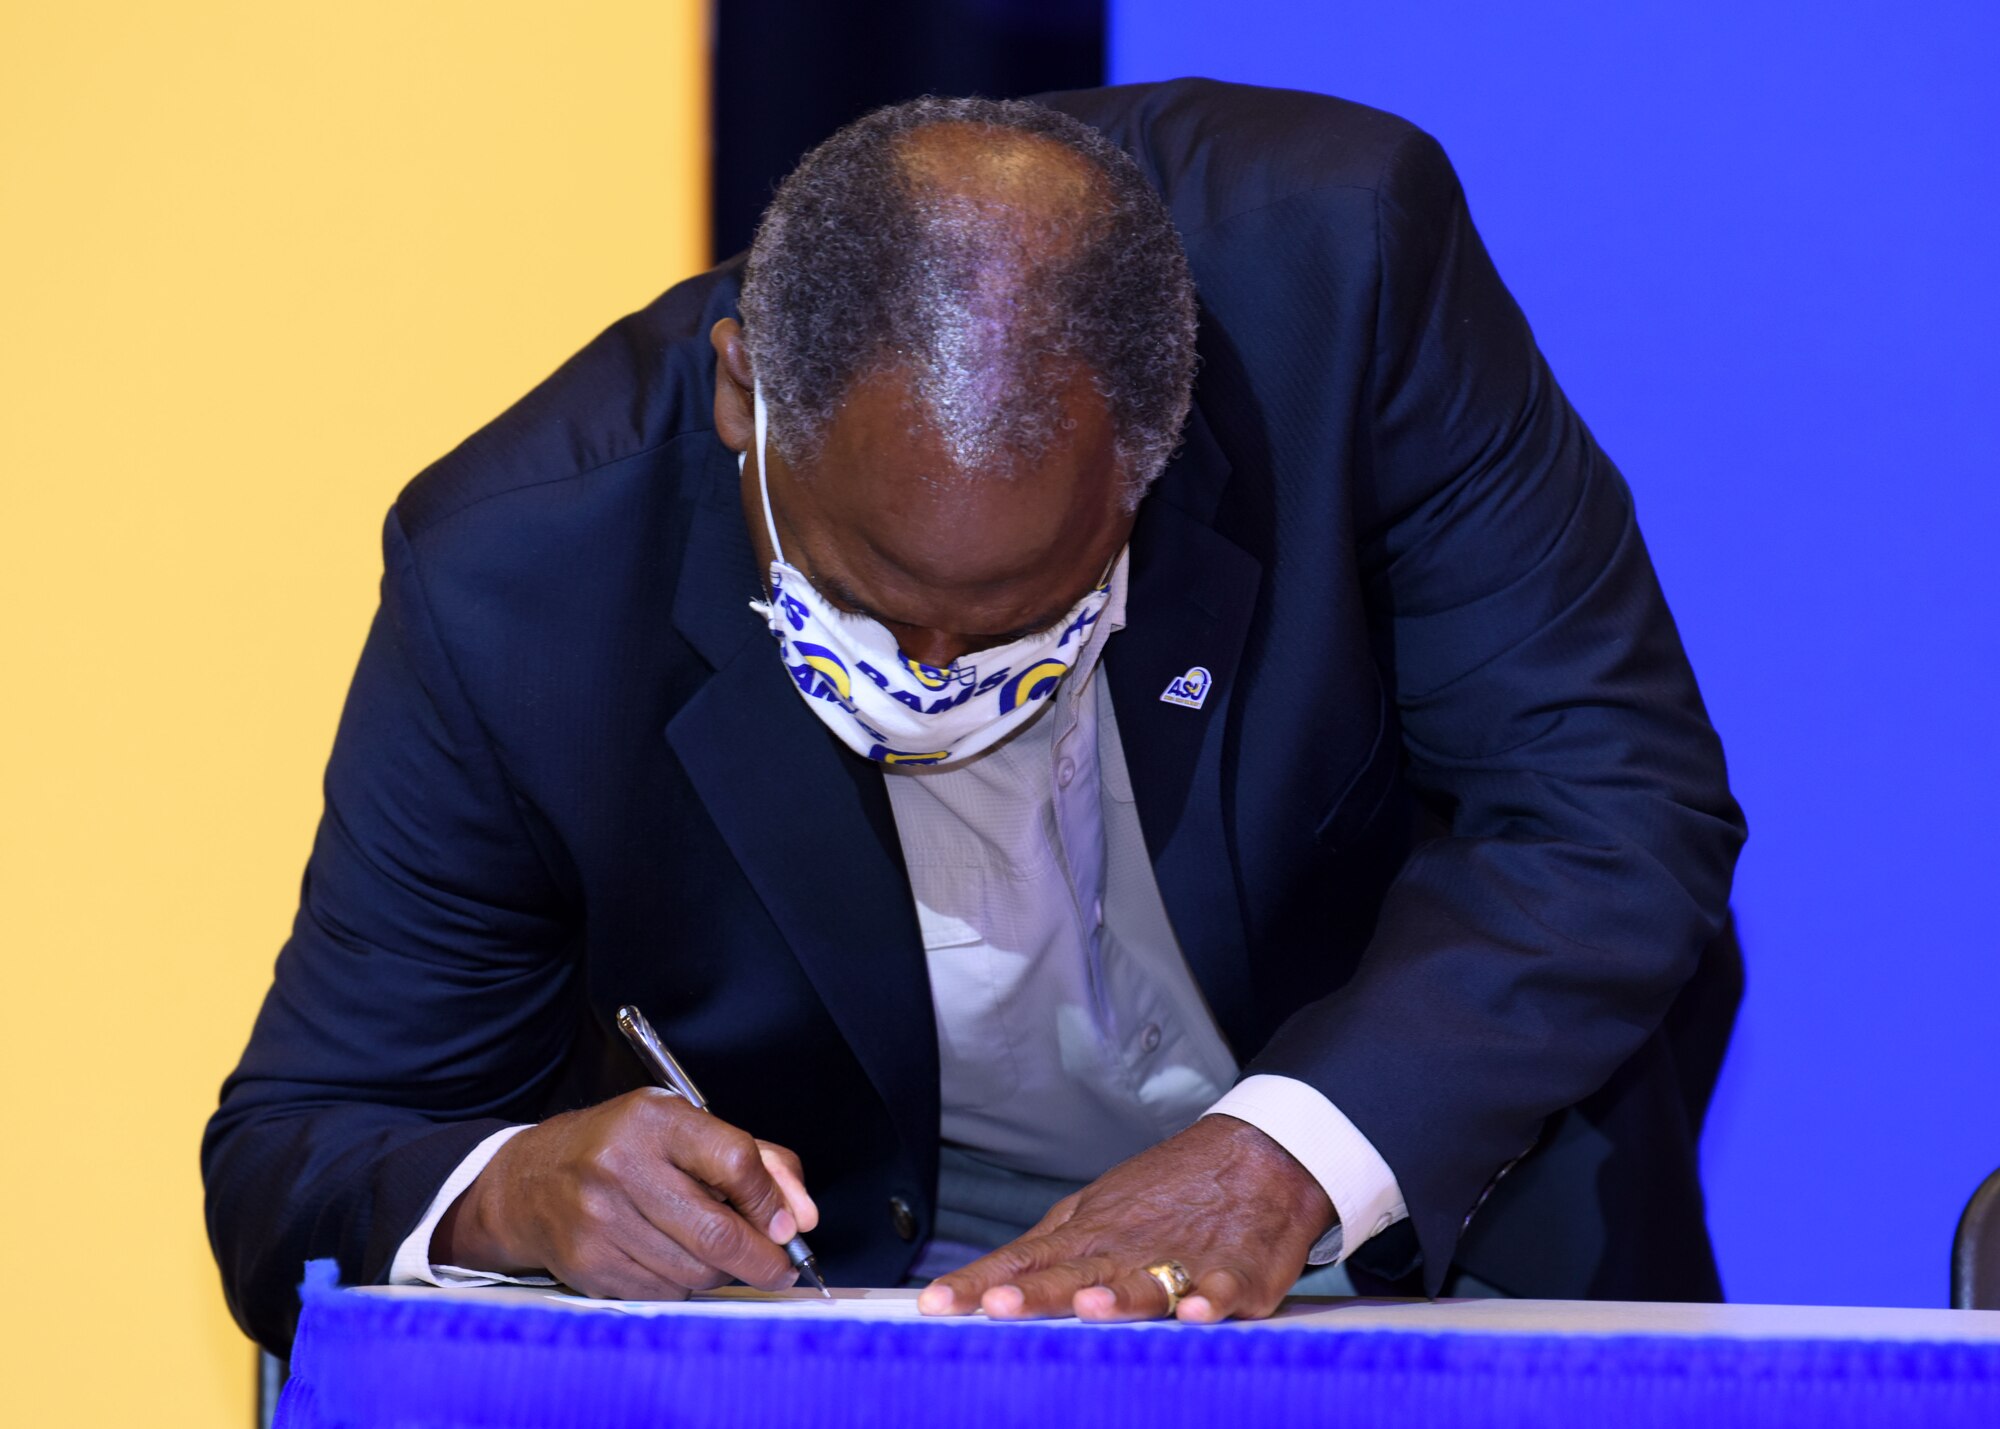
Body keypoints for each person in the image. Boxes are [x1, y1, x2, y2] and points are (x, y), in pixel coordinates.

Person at [203, 80, 1745, 1353]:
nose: (931, 665)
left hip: (1417, 1244)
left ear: (1157, 451)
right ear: (745, 399)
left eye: (1015, 609)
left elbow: (1612, 805)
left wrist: (1281, 1159)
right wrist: (509, 1190)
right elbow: (300, 1146)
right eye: (869, 592)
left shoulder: (1345, 271)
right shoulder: (517, 575)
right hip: (893, 1321)